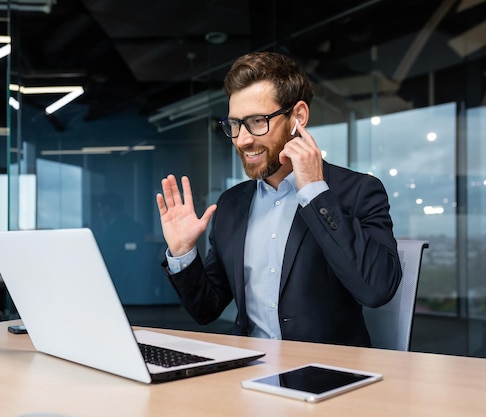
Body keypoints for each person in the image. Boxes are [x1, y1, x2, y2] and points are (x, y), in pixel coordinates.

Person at [155, 51, 402, 347]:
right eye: (235, 125)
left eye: (258, 121)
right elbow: (206, 309)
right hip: (247, 374)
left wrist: (314, 191)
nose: (243, 139)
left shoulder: (359, 191)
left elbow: (377, 290)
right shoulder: (231, 205)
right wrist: (183, 254)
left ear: (297, 117)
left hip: (327, 378)